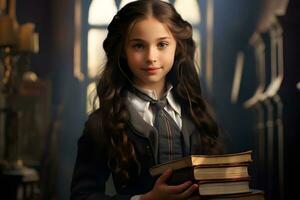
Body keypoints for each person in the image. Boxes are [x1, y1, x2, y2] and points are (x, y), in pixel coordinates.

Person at [70, 0, 224, 199]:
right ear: (123, 51)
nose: (151, 56)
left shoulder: (198, 111)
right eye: (138, 45)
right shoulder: (102, 123)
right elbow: (82, 195)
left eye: (162, 44)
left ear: (177, 47)